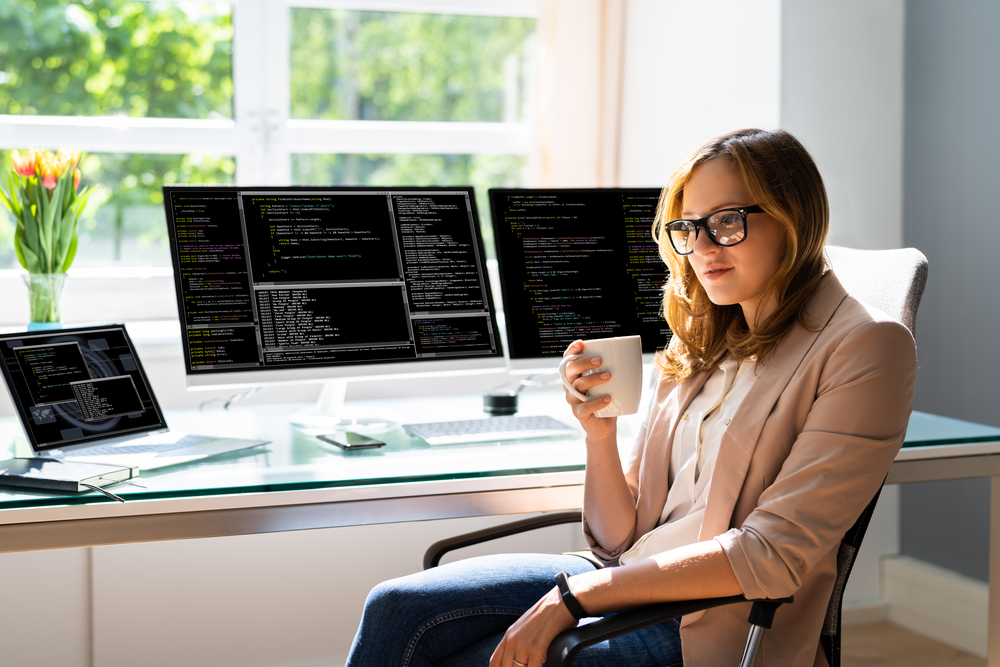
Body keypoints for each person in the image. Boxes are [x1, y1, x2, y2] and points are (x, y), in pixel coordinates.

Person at [345, 128, 917, 667]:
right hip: (622, 579)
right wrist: (599, 435)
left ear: (795, 219)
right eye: (689, 227)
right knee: (393, 606)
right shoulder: (705, 334)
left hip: (710, 619)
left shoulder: (867, 346)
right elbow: (619, 540)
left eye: (727, 221)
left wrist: (573, 600)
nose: (704, 247)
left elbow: (773, 554)